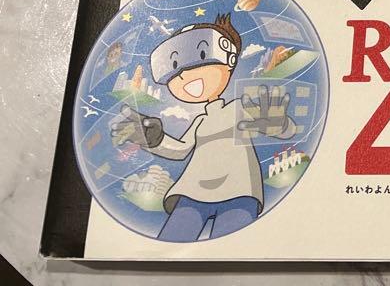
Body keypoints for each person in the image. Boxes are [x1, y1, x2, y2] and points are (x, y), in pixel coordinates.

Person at [110, 13, 297, 241]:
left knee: (231, 248)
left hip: (238, 193)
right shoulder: (200, 121)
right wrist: (153, 138)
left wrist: (278, 124)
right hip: (192, 194)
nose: (184, 74)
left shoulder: (239, 108)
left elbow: (286, 130)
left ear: (229, 60)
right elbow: (180, 150)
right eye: (174, 68)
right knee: (173, 242)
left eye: (201, 56)